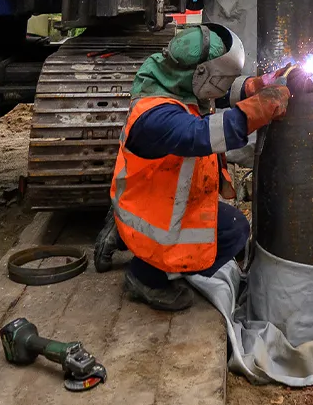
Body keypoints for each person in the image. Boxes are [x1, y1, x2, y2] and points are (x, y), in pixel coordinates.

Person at [111, 24, 293, 311]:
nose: (220, 87)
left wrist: (253, 87)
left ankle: (125, 238)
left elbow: (213, 92)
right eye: (219, 78)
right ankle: (146, 277)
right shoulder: (157, 118)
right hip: (152, 217)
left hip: (148, 198)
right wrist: (259, 109)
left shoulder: (166, 76)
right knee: (234, 232)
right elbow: (201, 134)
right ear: (199, 73)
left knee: (225, 225)